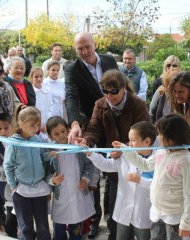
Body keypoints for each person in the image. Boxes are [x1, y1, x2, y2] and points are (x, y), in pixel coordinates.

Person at [76, 69, 150, 240]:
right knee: (115, 205)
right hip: (114, 164)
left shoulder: (137, 104)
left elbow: (145, 133)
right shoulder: (99, 104)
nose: (109, 96)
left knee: (139, 209)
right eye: (105, 91)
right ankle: (114, 234)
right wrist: (86, 141)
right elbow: (94, 128)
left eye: (114, 91)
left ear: (124, 88)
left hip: (136, 164)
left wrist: (125, 148)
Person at [64, 31, 118, 238]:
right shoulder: (71, 68)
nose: (85, 52)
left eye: (87, 47)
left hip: (114, 125)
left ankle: (112, 219)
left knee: (113, 172)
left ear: (95, 44)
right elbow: (71, 96)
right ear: (75, 49)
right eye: (80, 49)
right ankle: (94, 219)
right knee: (93, 172)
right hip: (91, 126)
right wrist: (75, 122)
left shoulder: (109, 60)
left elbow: (120, 88)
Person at [113, 113, 190, 240]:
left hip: (174, 217)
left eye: (161, 134)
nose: (158, 137)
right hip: (157, 213)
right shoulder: (161, 152)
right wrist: (126, 149)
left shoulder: (187, 161)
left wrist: (186, 223)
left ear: (172, 136)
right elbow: (144, 165)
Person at [81, 121, 156, 240]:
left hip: (144, 213)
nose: (129, 144)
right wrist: (90, 153)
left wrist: (140, 180)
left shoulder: (157, 160)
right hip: (124, 210)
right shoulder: (126, 156)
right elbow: (106, 165)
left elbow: (157, 185)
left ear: (147, 141)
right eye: (129, 140)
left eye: (133, 140)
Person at [4, 107, 53, 240]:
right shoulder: (13, 142)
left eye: (38, 124)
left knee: (43, 225)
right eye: (32, 125)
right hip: (21, 192)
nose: (36, 128)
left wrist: (50, 155)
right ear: (21, 123)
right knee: (25, 226)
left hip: (40, 190)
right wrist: (14, 186)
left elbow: (42, 157)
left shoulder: (37, 139)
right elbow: (7, 165)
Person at [46, 116, 95, 240]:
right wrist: (53, 181)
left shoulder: (78, 147)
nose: (61, 135)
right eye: (56, 134)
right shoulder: (50, 151)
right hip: (60, 197)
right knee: (59, 230)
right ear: (50, 136)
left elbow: (89, 164)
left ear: (68, 130)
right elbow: (47, 171)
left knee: (76, 229)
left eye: (63, 131)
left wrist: (86, 179)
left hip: (78, 193)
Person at [0, 55, 21, 234]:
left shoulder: (7, 87)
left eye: (0, 71)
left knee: (4, 181)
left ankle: (5, 219)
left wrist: (22, 109)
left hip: (7, 140)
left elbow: (16, 105)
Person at [0, 113, 18, 238]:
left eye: (6, 127)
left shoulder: (20, 143)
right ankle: (11, 235)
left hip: (26, 187)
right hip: (8, 189)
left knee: (26, 216)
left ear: (13, 126)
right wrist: (7, 172)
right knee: (11, 217)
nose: (3, 131)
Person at [29, 67, 54, 132]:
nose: (39, 79)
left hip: (46, 123)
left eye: (41, 76)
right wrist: (37, 124)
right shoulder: (29, 91)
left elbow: (50, 107)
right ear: (31, 78)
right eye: (36, 77)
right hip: (35, 123)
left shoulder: (47, 90)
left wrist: (47, 123)